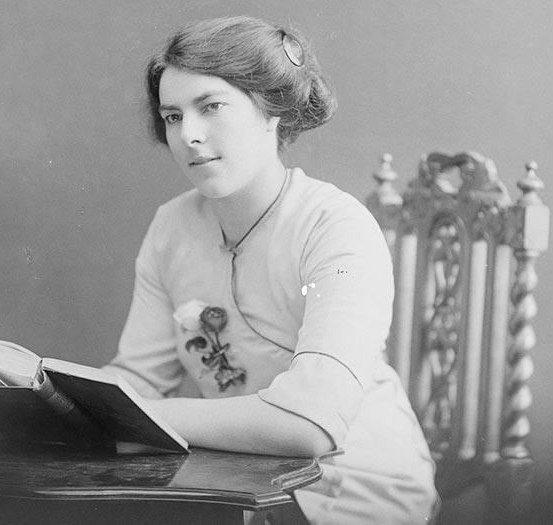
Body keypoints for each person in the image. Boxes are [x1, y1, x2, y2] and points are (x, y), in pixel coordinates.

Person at [103, 15, 437, 524]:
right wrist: (55, 394)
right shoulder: (171, 226)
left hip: (359, 487)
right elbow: (139, 377)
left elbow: (311, 424)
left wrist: (135, 416)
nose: (189, 135)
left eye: (211, 107)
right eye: (172, 116)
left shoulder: (336, 225)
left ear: (270, 111)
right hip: (242, 485)